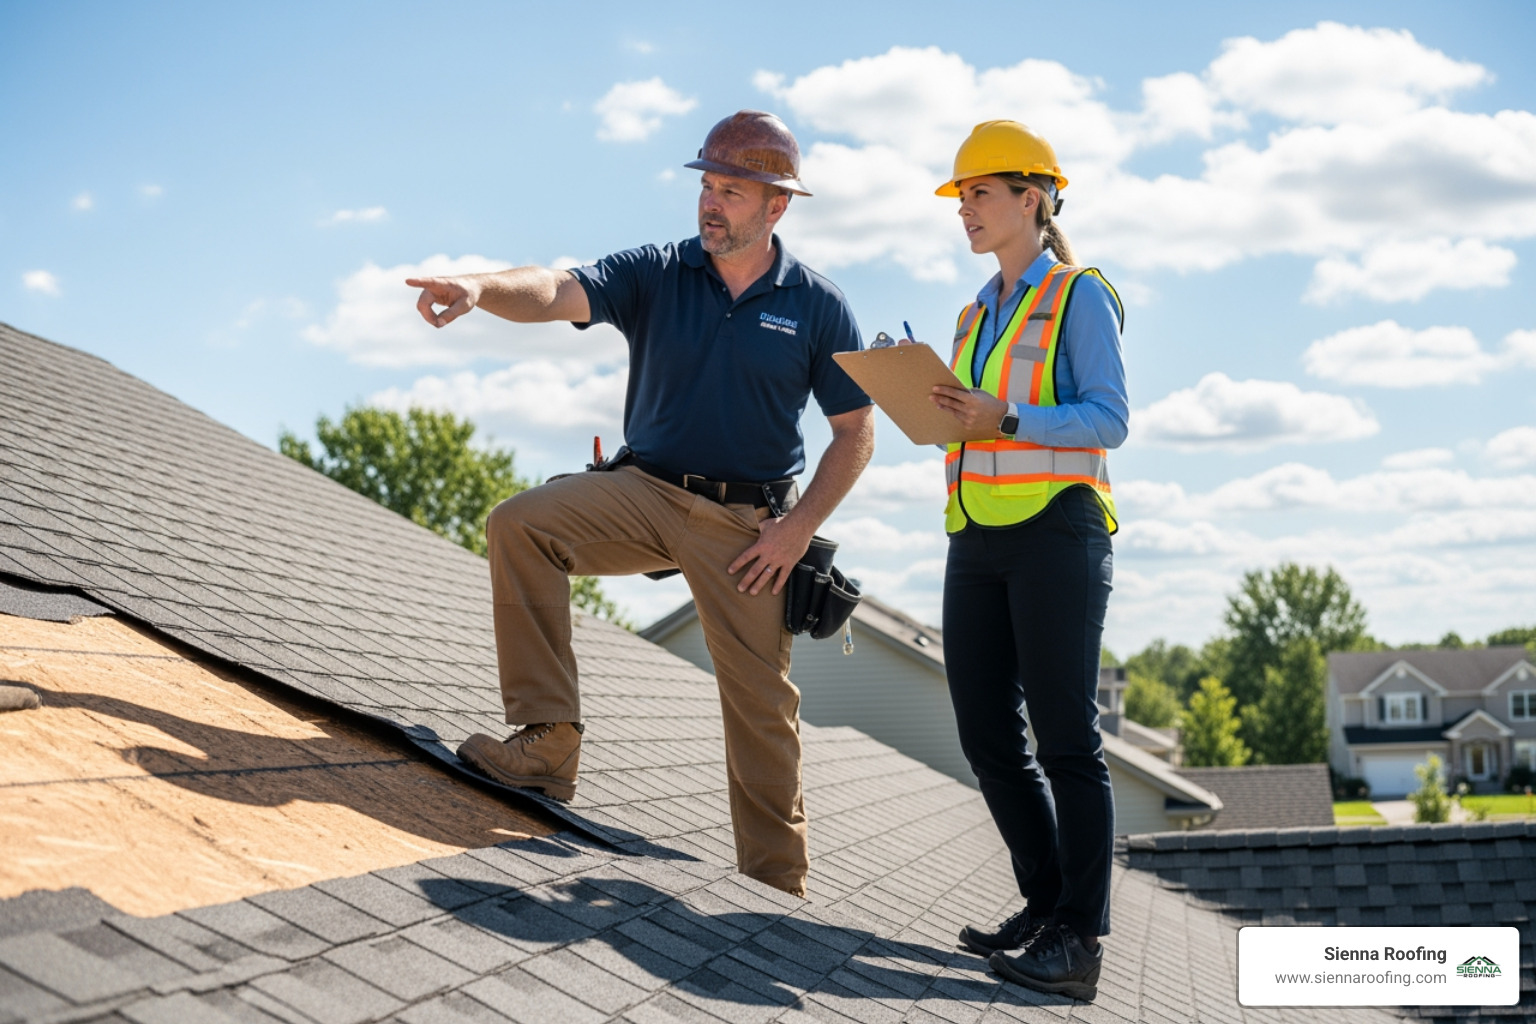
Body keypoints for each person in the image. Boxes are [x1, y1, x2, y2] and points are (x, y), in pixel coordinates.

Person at [404, 110, 874, 898]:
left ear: (777, 206)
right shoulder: (659, 270)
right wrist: (482, 289)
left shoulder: (818, 306)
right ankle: (549, 741)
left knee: (762, 706)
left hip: (746, 527)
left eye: (732, 190)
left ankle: (776, 885)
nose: (711, 203)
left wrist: (796, 532)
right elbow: (558, 289)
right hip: (644, 490)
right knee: (521, 523)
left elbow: (855, 433)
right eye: (708, 186)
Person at [926, 121, 1126, 1001]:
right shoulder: (974, 310)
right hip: (976, 534)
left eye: (978, 193)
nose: (964, 209)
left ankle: (1079, 942)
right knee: (984, 736)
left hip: (1057, 532)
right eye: (960, 197)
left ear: (1032, 198)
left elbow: (1108, 419)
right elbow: (969, 419)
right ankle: (1045, 907)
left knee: (1067, 741)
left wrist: (1002, 417)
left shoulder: (1080, 294)